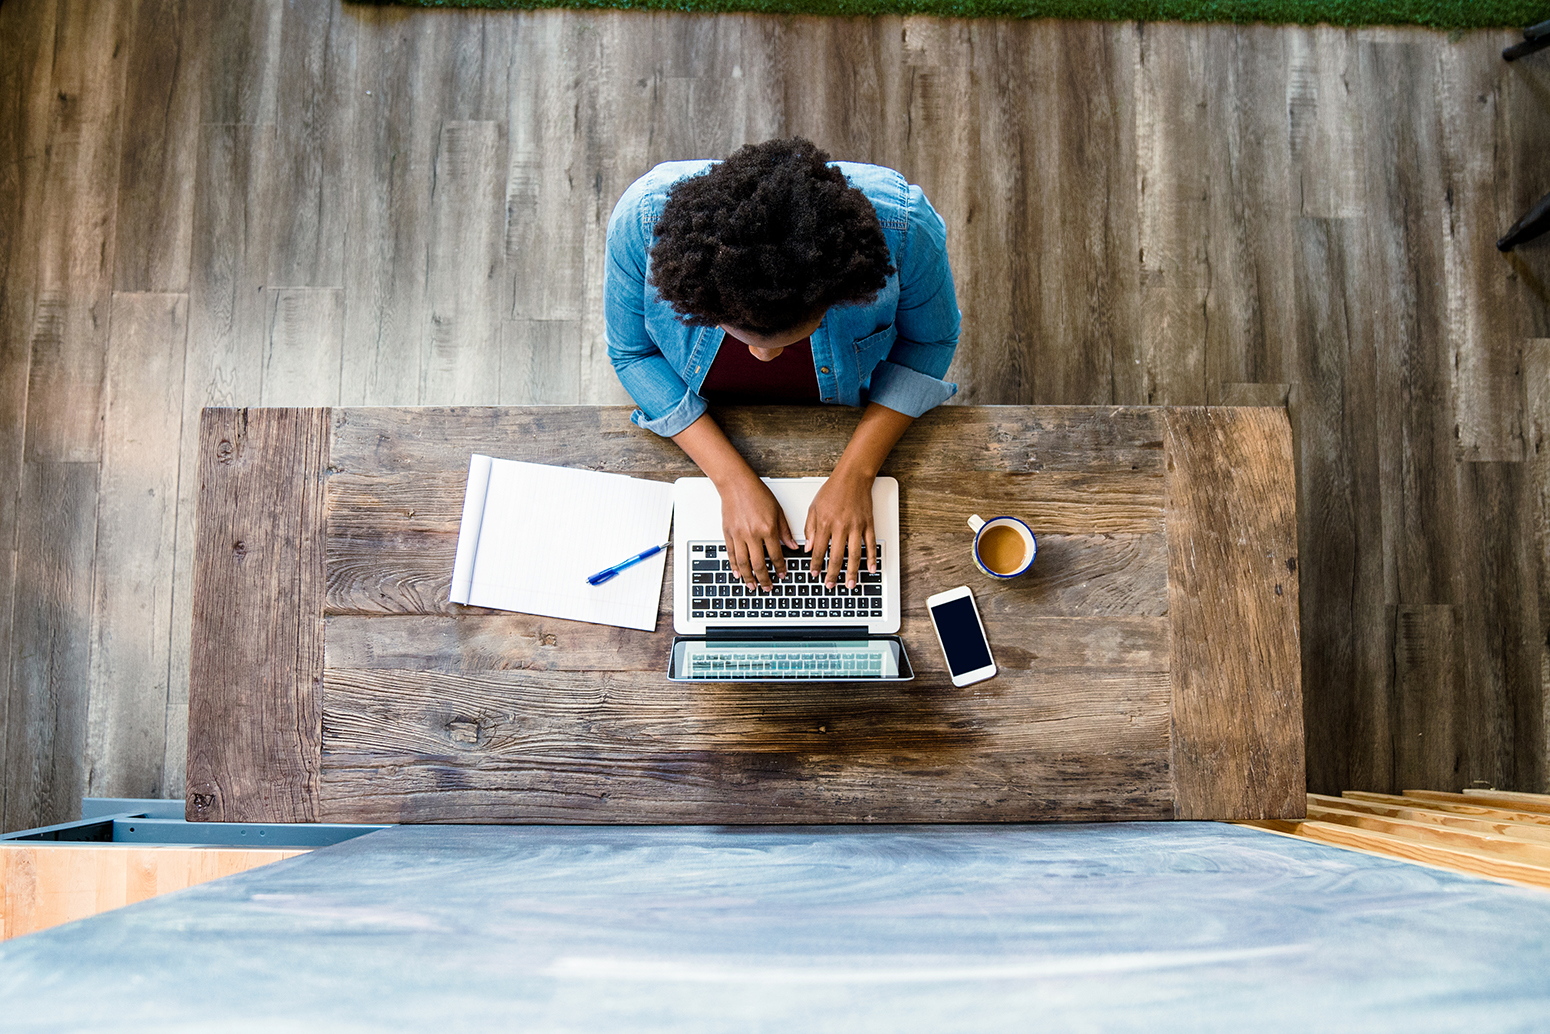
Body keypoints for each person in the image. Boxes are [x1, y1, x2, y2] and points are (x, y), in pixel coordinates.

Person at [604, 137, 960, 596]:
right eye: (743, 336)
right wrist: (730, 480)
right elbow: (632, 354)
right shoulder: (643, 222)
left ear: (839, 296)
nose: (763, 359)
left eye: (788, 339)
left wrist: (856, 473)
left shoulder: (905, 228)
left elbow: (931, 339)